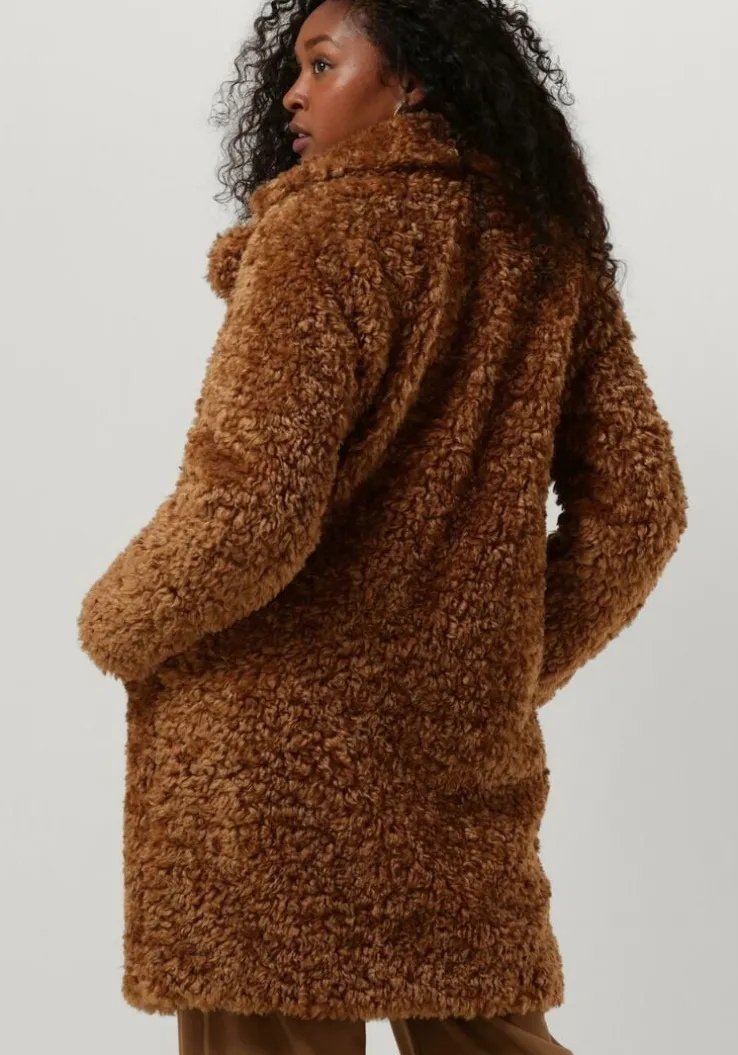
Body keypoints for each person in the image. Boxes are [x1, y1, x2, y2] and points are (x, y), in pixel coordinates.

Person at [77, 1, 688, 1053]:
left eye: (323, 64)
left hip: (271, 769)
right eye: (296, 67)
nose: (292, 93)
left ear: (411, 81)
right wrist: (491, 662)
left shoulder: (317, 232)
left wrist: (115, 620)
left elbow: (249, 509)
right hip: (452, 756)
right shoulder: (546, 252)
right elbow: (642, 506)